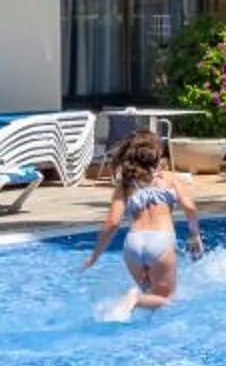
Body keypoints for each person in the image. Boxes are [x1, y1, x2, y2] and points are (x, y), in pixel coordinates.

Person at [80, 130, 204, 312]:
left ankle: (139, 313)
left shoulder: (125, 185)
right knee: (167, 300)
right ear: (156, 155)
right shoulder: (170, 178)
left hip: (133, 244)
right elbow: (190, 208)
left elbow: (112, 222)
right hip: (160, 240)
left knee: (152, 297)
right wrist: (195, 236)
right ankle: (135, 298)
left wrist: (95, 255)